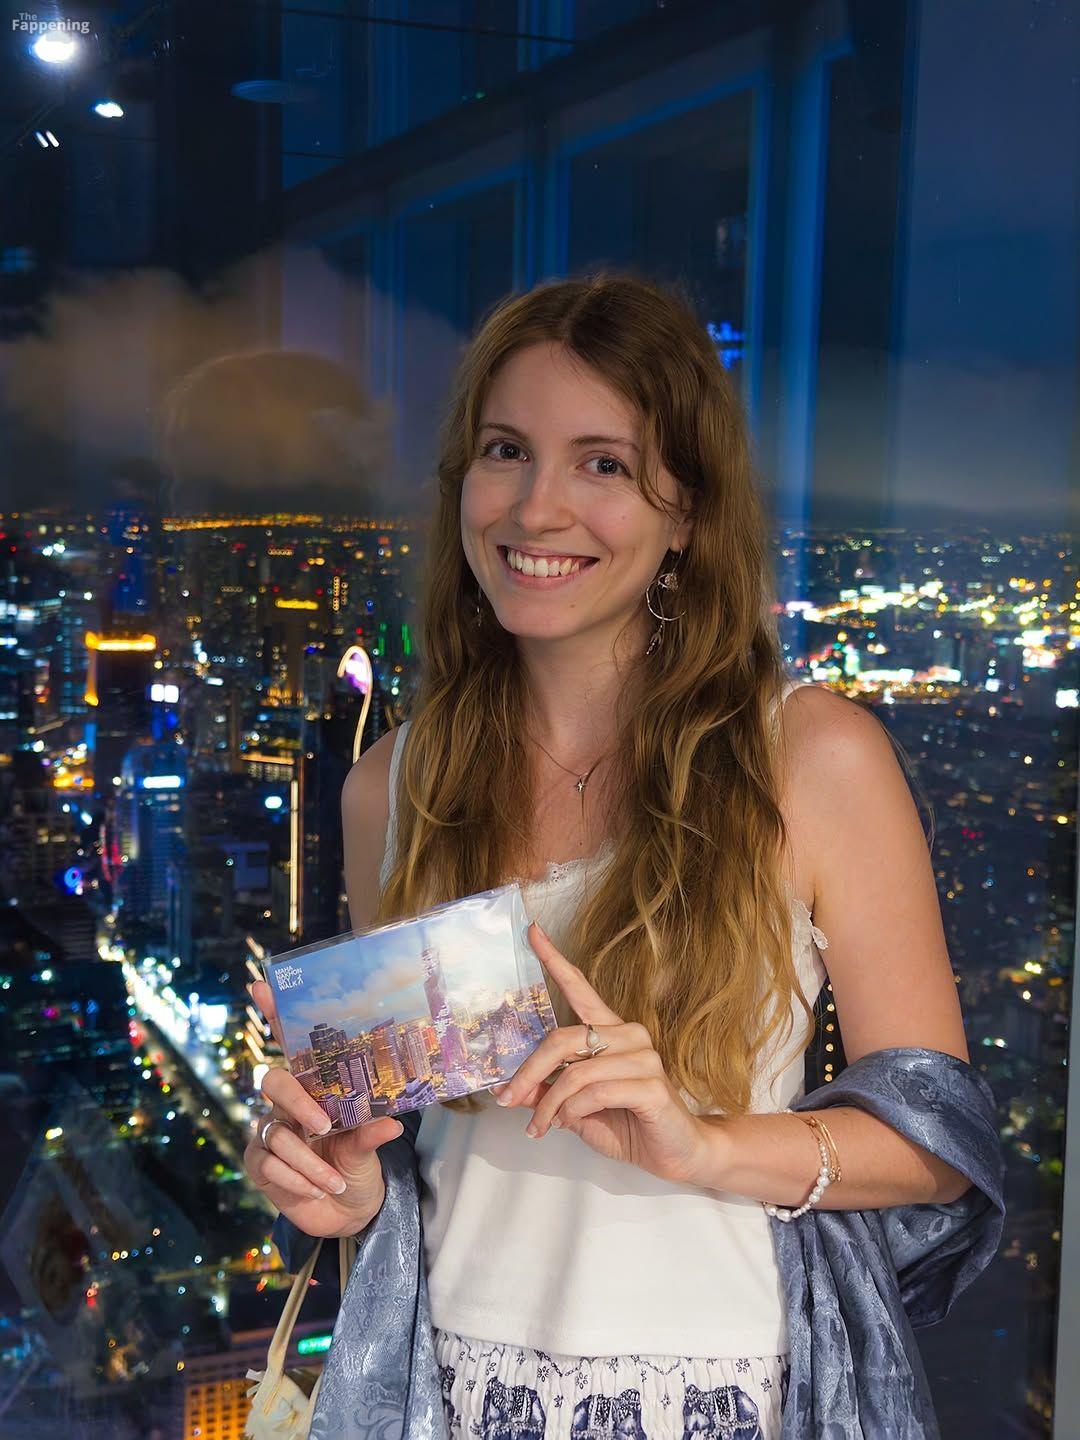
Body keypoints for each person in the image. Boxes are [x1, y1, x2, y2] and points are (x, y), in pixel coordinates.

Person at [244, 270, 977, 1439]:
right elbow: (414, 1148)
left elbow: (932, 1148)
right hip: (452, 1391)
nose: (538, 508)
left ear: (685, 513)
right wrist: (340, 1180)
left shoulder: (812, 759)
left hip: (722, 1389)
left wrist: (704, 1146)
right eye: (506, 451)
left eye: (603, 464)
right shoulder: (393, 783)